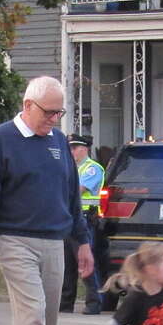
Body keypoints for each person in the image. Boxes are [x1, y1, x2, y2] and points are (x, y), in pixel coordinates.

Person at [0, 76, 93, 325]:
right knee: (33, 315)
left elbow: (72, 195)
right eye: (48, 112)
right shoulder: (1, 139)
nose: (54, 119)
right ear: (28, 104)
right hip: (14, 240)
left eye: (58, 113)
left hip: (54, 241)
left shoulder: (59, 142)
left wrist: (82, 242)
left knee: (49, 319)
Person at [61, 135, 105, 315]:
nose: (72, 152)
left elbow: (78, 190)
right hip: (67, 219)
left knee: (85, 262)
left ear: (86, 148)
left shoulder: (92, 168)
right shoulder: (69, 168)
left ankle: (94, 303)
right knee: (67, 264)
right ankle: (65, 303)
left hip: (85, 219)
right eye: (70, 148)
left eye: (75, 148)